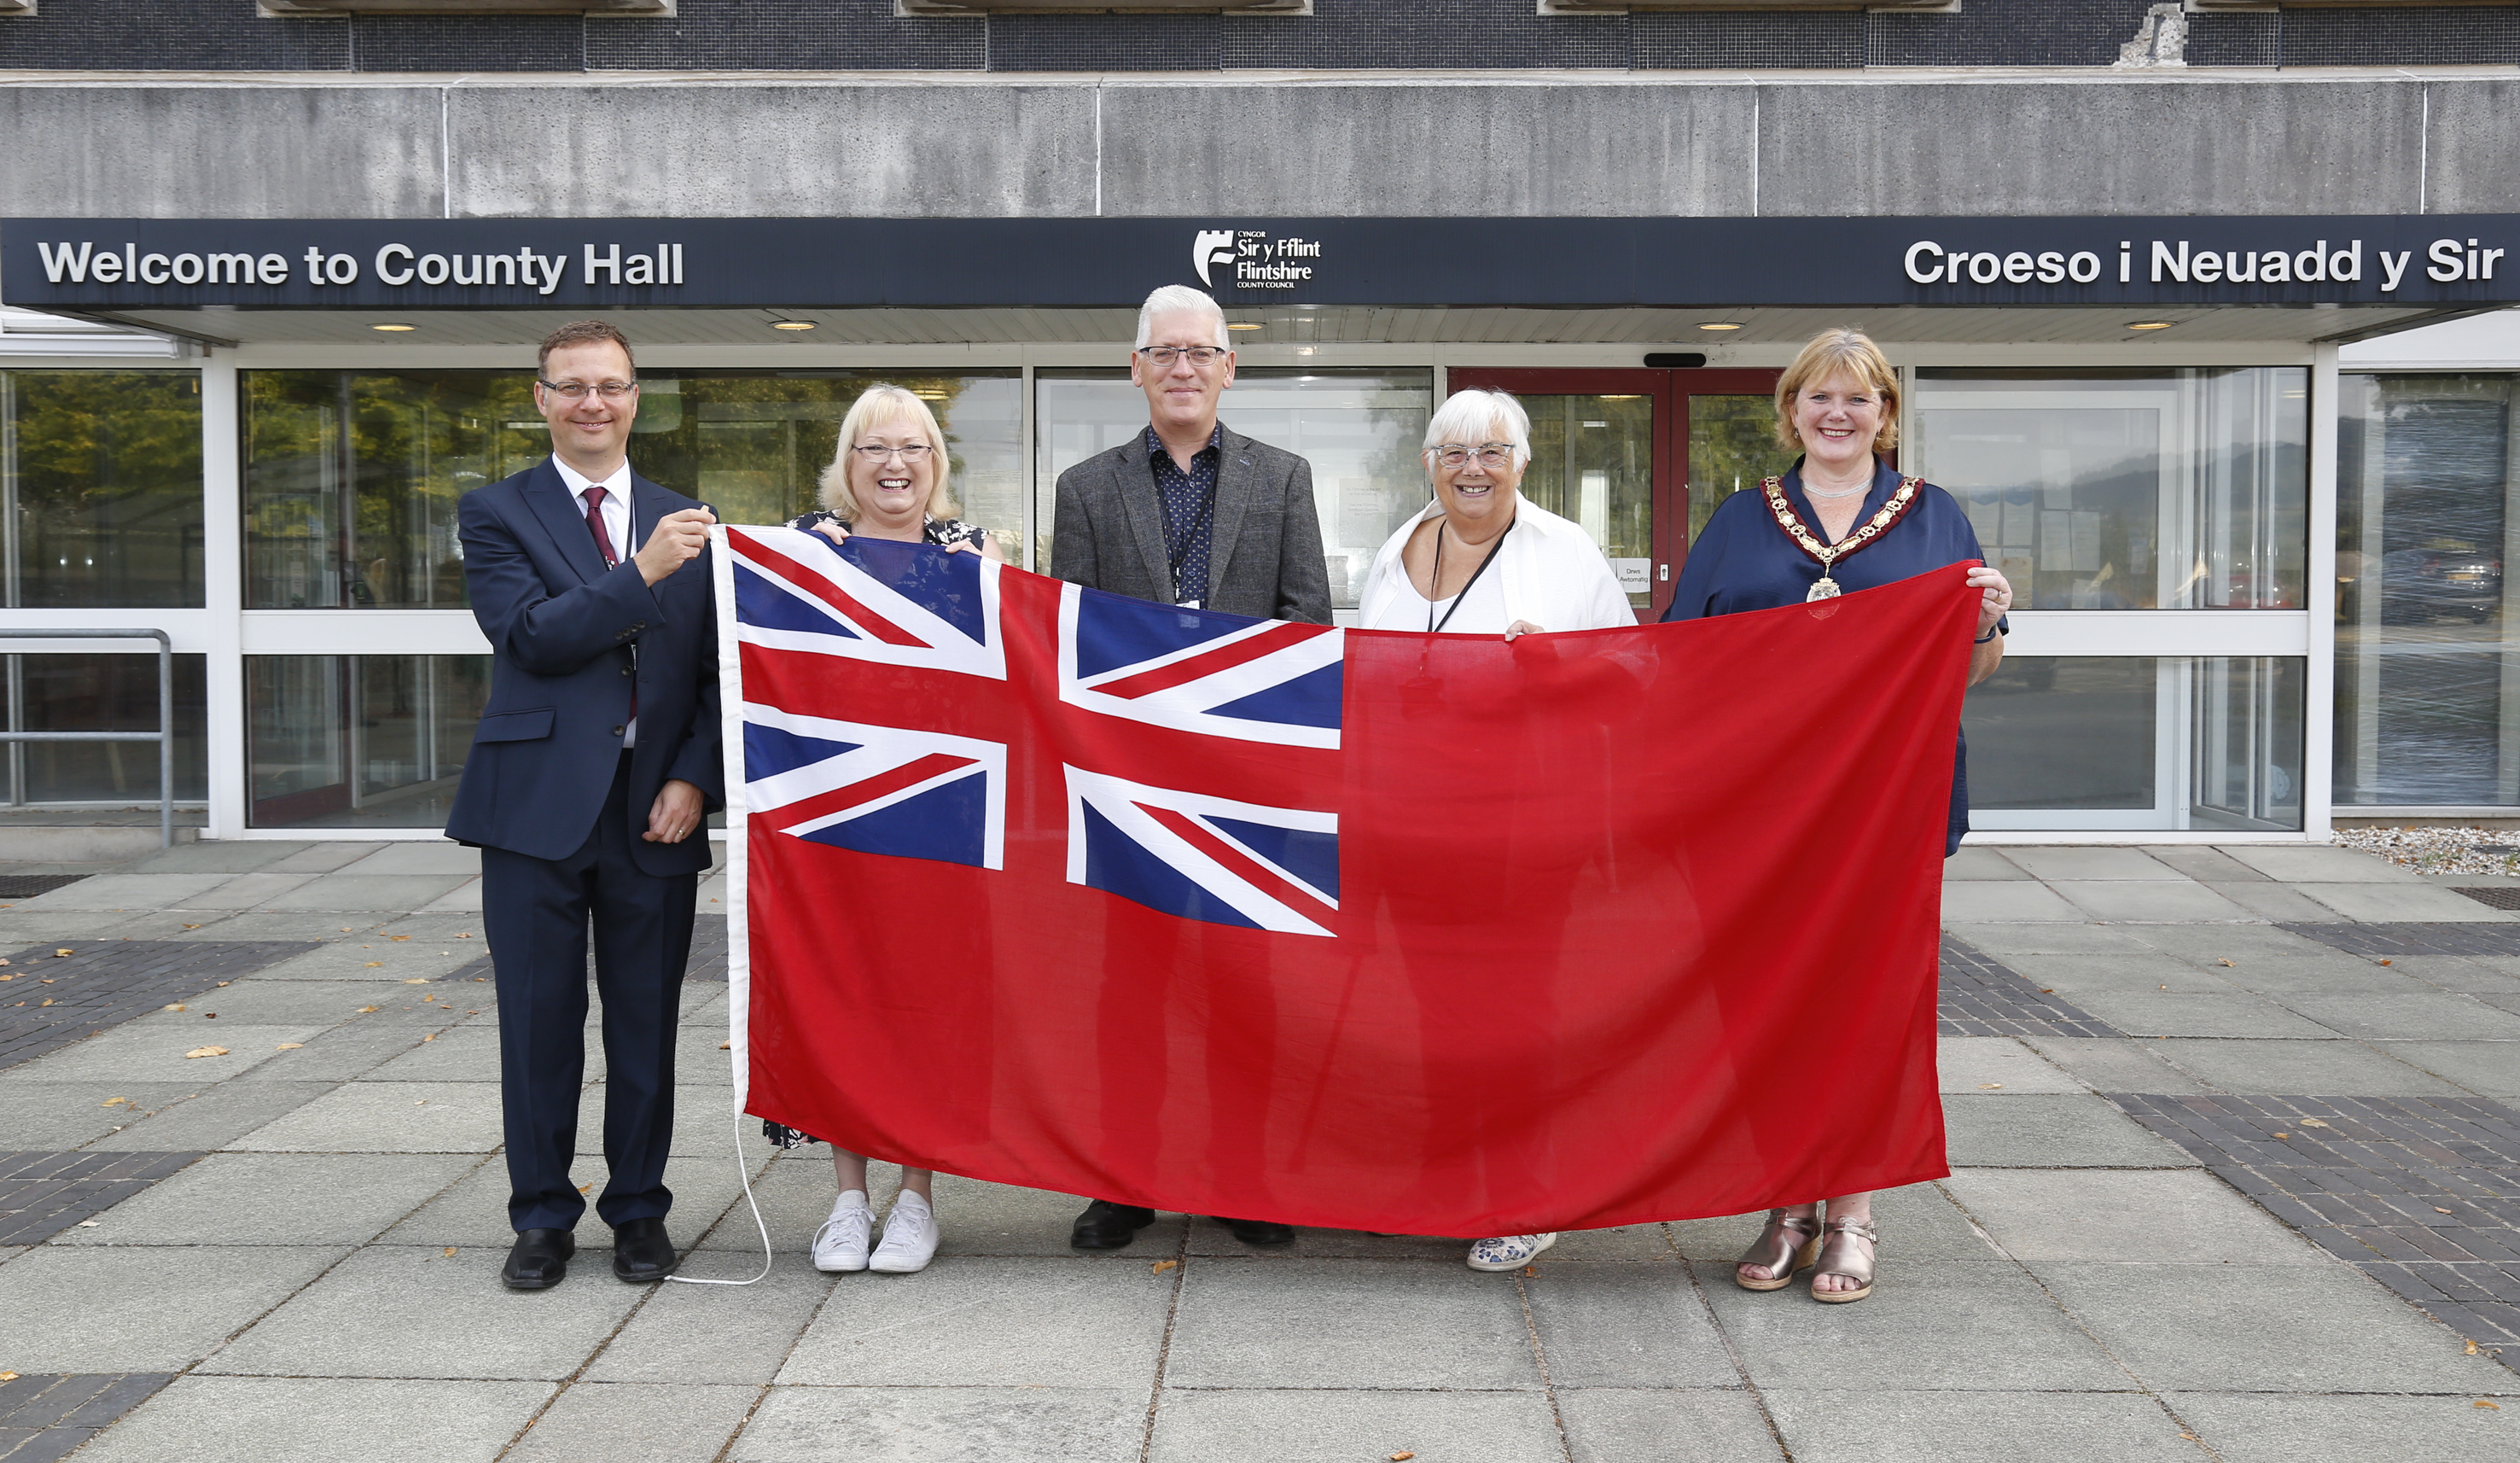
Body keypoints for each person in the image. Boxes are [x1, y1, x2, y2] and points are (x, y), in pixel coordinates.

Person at [1662, 326, 2011, 1305]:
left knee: (1864, 1002)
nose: (1835, 413)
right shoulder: (1740, 519)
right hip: (1763, 811)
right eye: (1817, 396)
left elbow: (1971, 671)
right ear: (1790, 412)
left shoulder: (1934, 518)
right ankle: (1785, 1201)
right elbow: (1680, 662)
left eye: (1856, 398)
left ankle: (1851, 1210)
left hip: (1883, 811)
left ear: (1885, 414)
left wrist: (1982, 622)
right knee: (1770, 1002)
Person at [1051, 283, 1333, 1251]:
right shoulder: (1085, 488)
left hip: (1244, 782)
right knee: (1124, 988)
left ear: (1228, 366)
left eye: (1197, 352)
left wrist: (1240, 733)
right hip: (1123, 781)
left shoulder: (1283, 477)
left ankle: (1239, 1179)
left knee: (1244, 988)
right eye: (1161, 352)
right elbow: (1070, 639)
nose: (1180, 367)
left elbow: (1306, 628)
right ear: (1135, 367)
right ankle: (1122, 1180)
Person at [447, 320, 722, 1291]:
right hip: (532, 813)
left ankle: (640, 1213)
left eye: (610, 386)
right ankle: (542, 1218)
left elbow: (712, 674)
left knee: (645, 1026)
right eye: (572, 387)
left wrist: (695, 777)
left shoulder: (689, 515)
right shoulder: (496, 512)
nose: (592, 403)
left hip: (657, 813)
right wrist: (640, 572)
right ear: (541, 399)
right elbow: (530, 636)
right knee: (538, 1023)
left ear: (637, 396)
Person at [1354, 388, 1636, 1274]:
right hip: (1415, 824)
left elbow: (1631, 675)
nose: (1471, 468)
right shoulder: (1397, 548)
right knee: (1433, 1012)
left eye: (1491, 451)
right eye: (1453, 452)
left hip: (1524, 826)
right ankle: (1448, 1183)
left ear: (1522, 461)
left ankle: (1523, 1194)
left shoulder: (1564, 551)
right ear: (1428, 463)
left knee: (1520, 1010)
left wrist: (1560, 660)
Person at [769, 384, 1004, 1276]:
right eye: (873, 448)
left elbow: (1004, 676)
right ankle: (845, 1200)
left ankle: (916, 1200)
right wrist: (797, 578)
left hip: (942, 813)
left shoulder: (968, 553)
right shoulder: (802, 549)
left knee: (931, 1000)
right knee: (844, 992)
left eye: (912, 447)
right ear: (848, 462)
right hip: (835, 811)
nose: (894, 464)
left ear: (935, 463)